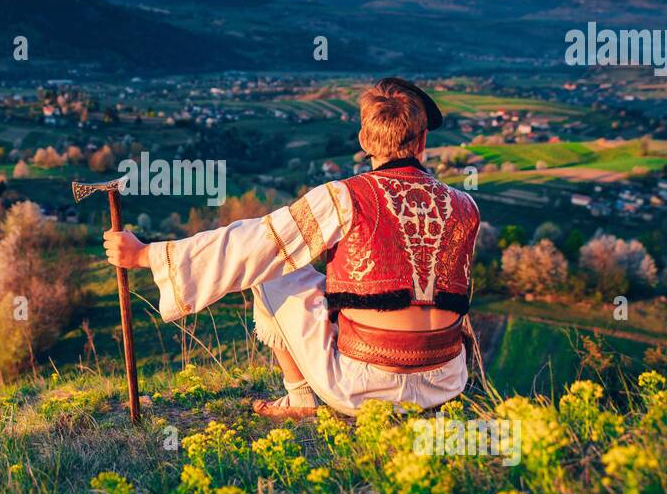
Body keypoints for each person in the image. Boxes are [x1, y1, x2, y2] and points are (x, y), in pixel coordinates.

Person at [103, 78, 481, 420]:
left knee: (268, 265)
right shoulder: (466, 206)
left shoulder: (343, 197)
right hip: (445, 383)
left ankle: (300, 397)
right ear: (422, 142)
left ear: (364, 140)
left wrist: (145, 255)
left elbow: (252, 244)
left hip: (362, 388)